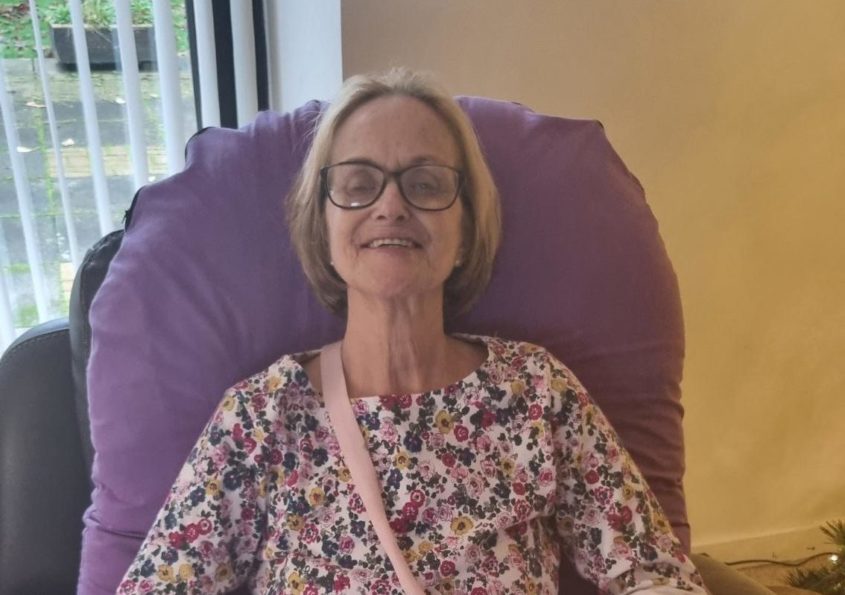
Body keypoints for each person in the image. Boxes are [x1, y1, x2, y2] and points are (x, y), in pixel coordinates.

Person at [117, 69, 706, 594]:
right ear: (322, 228)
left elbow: (653, 572)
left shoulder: (536, 393)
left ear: (466, 230)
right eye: (357, 184)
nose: (391, 205)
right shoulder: (261, 416)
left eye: (425, 185)